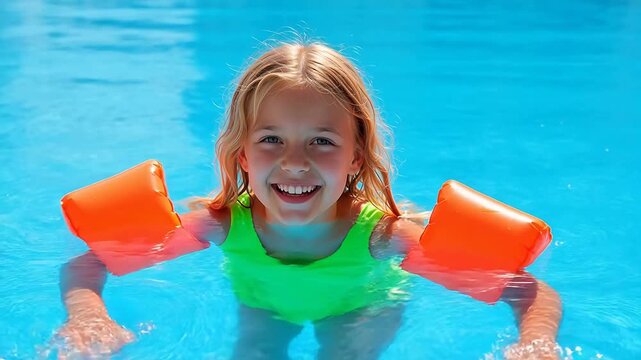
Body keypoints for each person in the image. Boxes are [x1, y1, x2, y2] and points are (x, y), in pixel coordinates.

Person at [54, 42, 562, 359]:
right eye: (271, 140)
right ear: (243, 156)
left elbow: (526, 289)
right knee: (254, 351)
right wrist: (88, 316)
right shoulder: (220, 225)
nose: (295, 163)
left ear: (358, 157)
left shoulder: (387, 239)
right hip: (263, 305)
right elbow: (89, 263)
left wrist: (535, 345)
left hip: (360, 306)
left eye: (322, 141)